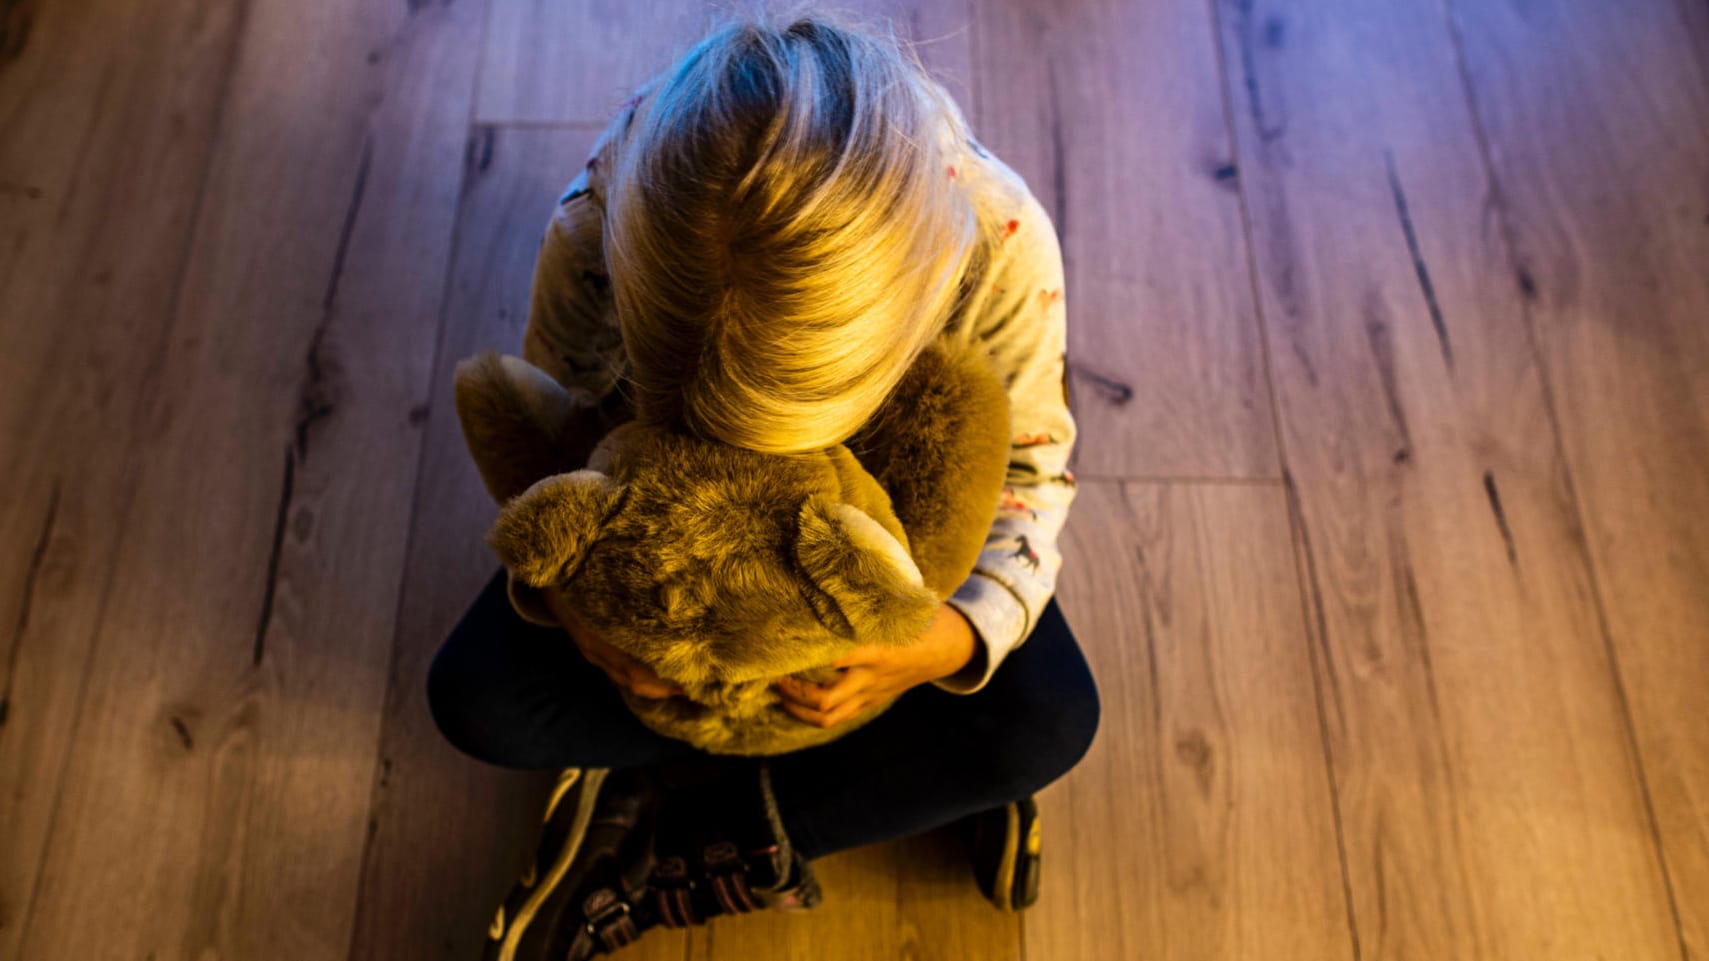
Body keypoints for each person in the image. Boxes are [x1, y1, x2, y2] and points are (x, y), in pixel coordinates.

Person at [425, 7, 1101, 958]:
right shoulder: (602, 216)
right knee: (474, 698)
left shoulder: (993, 238)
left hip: (883, 570)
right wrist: (579, 617)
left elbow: (1032, 472)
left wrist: (937, 646)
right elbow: (556, 435)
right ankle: (838, 792)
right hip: (670, 564)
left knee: (1052, 723)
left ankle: (694, 835)